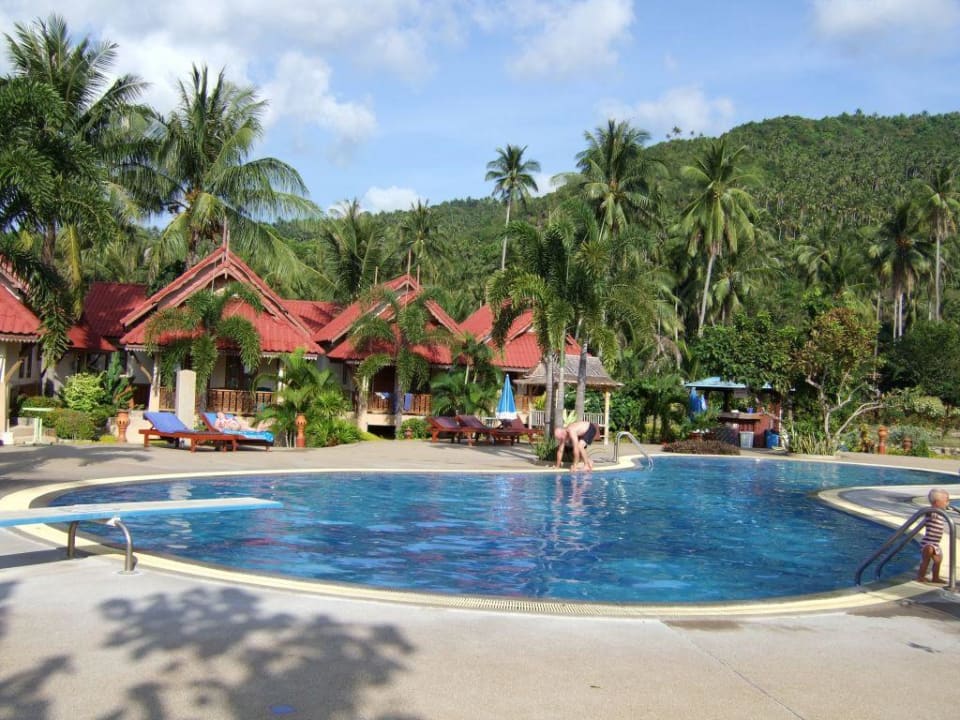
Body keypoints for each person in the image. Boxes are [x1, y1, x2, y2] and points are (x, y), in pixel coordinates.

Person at [917, 488, 950, 583]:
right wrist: (930, 510)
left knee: (938, 561)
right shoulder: (932, 512)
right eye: (946, 500)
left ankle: (935, 577)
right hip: (928, 543)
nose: (948, 502)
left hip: (935, 543)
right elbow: (927, 513)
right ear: (937, 502)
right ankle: (920, 576)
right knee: (926, 561)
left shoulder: (941, 512)